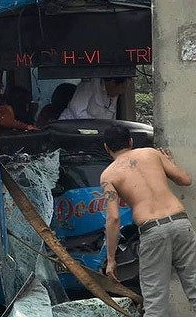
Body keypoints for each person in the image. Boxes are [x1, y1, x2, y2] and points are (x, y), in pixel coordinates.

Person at [100, 124, 196, 316]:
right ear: (130, 141)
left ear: (106, 147)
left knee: (155, 301)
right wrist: (169, 162)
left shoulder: (109, 175)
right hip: (180, 223)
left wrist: (111, 260)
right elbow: (185, 180)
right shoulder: (152, 154)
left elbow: (114, 219)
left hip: (152, 231)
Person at [59, 77, 129, 120]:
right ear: (112, 83)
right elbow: (77, 111)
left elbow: (111, 118)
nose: (123, 92)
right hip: (70, 129)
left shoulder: (114, 93)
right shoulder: (90, 84)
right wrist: (97, 126)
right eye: (122, 87)